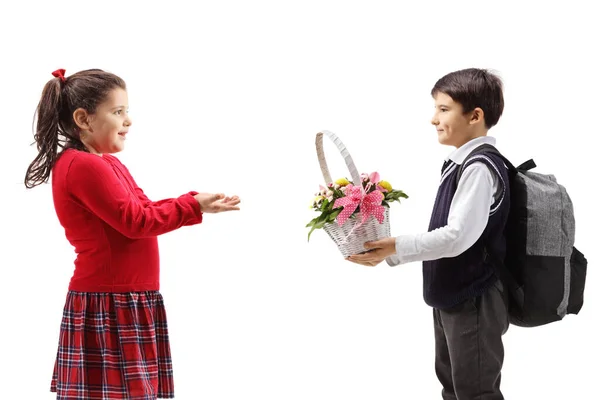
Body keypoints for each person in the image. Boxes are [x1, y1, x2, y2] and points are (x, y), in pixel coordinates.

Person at [25, 68, 241, 399]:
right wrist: (190, 206)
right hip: (110, 302)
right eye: (118, 112)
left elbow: (144, 210)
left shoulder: (106, 163)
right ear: (84, 118)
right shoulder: (83, 166)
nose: (128, 120)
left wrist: (195, 204)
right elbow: (136, 223)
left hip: (126, 298)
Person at [349, 68, 510, 399]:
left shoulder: (479, 168)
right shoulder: (460, 163)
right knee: (453, 388)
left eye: (443, 109)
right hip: (455, 295)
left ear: (475, 115)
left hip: (474, 297)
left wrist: (395, 246)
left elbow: (455, 238)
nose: (433, 119)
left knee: (475, 392)